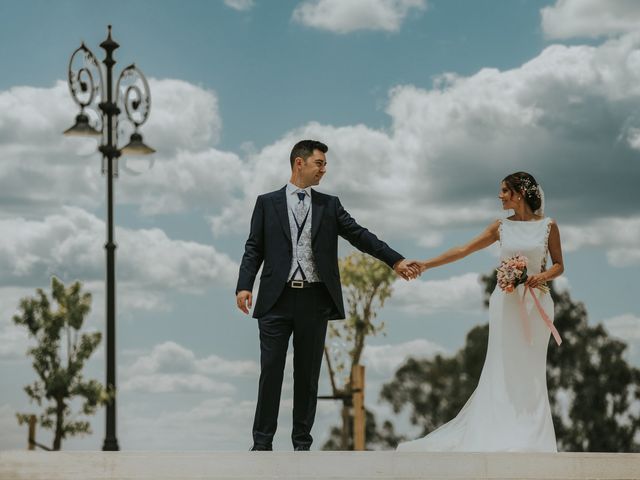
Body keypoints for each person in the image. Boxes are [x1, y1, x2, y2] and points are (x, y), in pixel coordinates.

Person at [236, 140, 419, 451]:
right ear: (299, 164)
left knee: (307, 376)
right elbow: (254, 247)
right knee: (271, 372)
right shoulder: (266, 203)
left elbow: (360, 235)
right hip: (275, 301)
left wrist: (395, 260)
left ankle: (301, 445)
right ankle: (262, 444)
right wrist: (244, 285)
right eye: (319, 163)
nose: (324, 169)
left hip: (314, 299)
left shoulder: (329, 206)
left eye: (324, 164)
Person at [397, 172, 564, 452]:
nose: (500, 196)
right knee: (501, 365)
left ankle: (532, 437)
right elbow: (463, 250)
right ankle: (500, 434)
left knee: (531, 369)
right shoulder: (501, 227)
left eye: (504, 191)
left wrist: (542, 276)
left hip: (538, 305)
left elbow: (559, 264)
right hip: (506, 305)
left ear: (519, 193)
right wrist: (426, 264)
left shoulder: (549, 226)